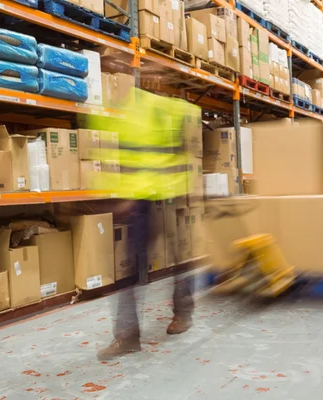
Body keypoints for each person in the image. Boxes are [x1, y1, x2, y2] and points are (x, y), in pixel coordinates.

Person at [87, 88, 199, 361]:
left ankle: (183, 313)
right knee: (129, 267)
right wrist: (113, 193)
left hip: (168, 193)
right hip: (137, 198)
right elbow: (104, 156)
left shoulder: (155, 104)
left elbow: (190, 118)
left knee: (179, 259)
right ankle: (127, 336)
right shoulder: (108, 114)